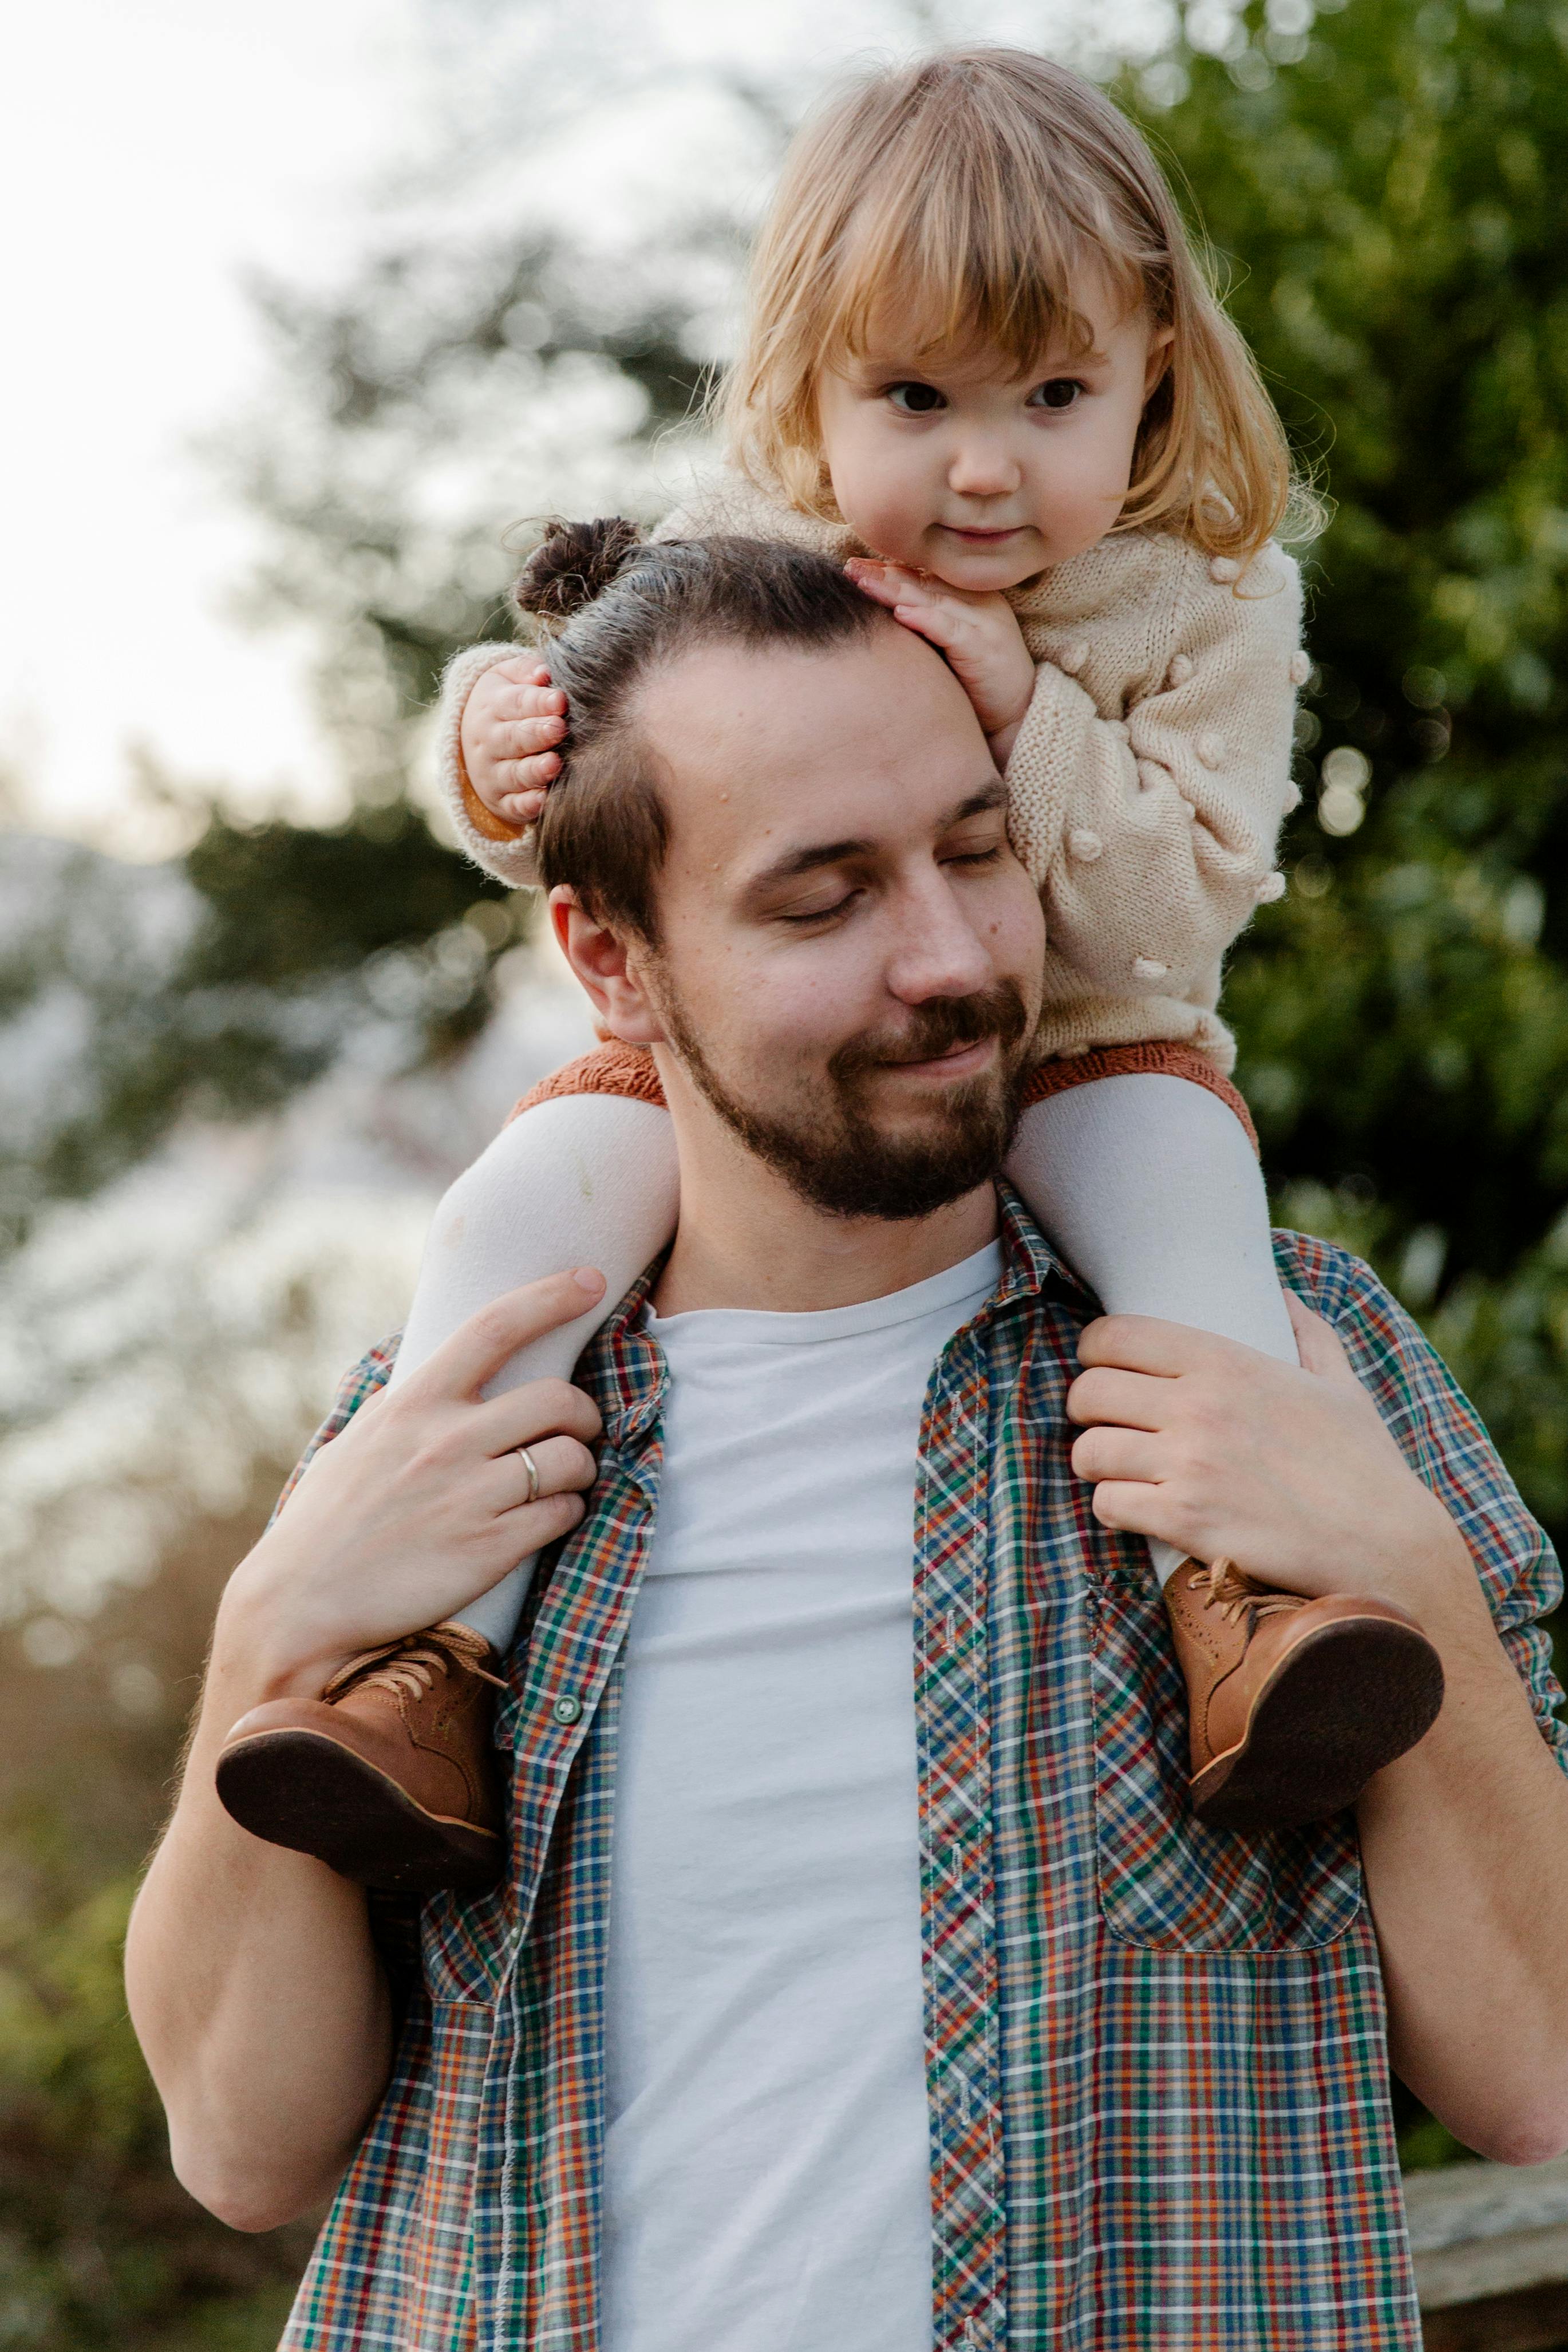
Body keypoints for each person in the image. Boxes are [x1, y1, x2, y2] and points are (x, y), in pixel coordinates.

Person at [128, 530, 1568, 2352]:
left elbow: (1538, 2084)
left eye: (975, 849)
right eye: (823, 901)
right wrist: (275, 1632)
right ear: (613, 962)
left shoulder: (1286, 1364)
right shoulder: (455, 1424)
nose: (953, 958)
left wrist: (1408, 1576)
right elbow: (245, 2145)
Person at [207, 48, 1444, 1894]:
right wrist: (487, 739)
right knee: (509, 1227)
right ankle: (423, 1668)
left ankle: (1248, 1621)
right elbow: (576, 767)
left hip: (1097, 1047)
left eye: (1052, 395)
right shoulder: (748, 555)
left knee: (1196, 1244)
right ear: (807, 388)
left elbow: (1176, 903)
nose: (979, 462)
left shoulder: (1204, 593)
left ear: (1154, 374)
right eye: (915, 394)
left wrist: (1019, 702)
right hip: (764, 1076)